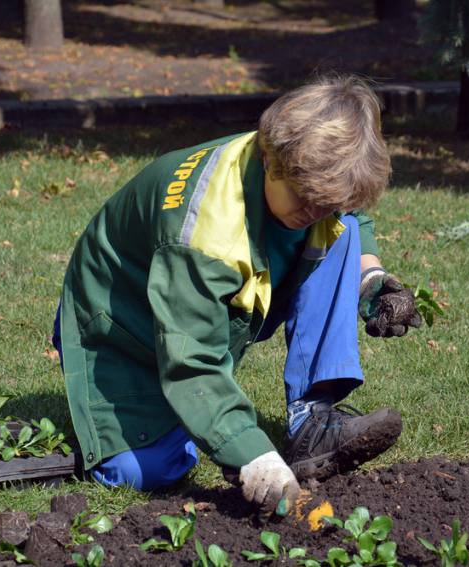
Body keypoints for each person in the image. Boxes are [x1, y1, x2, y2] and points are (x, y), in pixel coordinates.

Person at [51, 74, 423, 517]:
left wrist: (370, 278)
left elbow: (351, 214)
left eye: (329, 203)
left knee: (338, 233)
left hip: (196, 304)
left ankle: (312, 420)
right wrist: (252, 455)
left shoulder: (300, 164)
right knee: (143, 469)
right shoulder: (203, 233)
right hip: (120, 323)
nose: (316, 214)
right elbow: (192, 363)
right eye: (306, 198)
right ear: (269, 158)